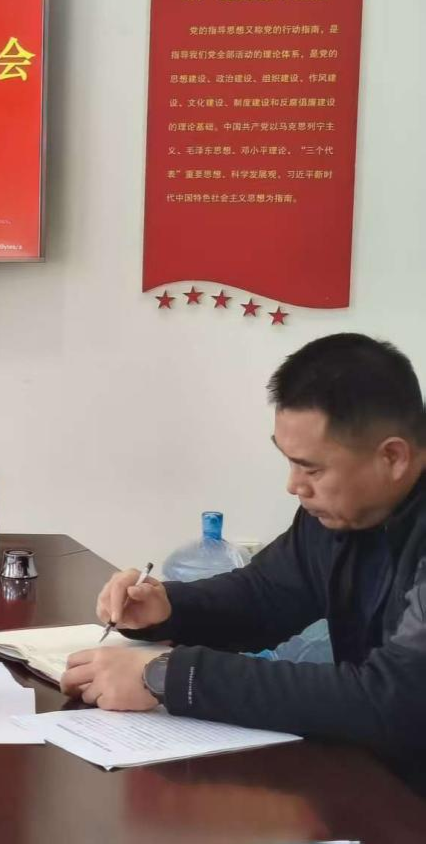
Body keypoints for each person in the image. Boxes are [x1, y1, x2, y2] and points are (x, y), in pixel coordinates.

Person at [61, 333, 426, 784]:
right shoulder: (339, 513)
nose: (293, 485)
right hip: (376, 775)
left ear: (392, 457)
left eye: (311, 468)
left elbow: (393, 698)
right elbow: (265, 594)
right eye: (289, 462)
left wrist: (167, 676)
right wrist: (168, 608)